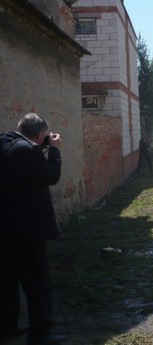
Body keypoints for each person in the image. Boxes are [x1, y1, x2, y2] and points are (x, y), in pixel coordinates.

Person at [0, 113, 66, 345]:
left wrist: (42, 144)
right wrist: (55, 149)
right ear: (39, 134)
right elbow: (51, 175)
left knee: (6, 282)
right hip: (27, 232)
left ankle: (6, 327)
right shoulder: (28, 151)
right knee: (37, 282)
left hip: (4, 230)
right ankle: (40, 333)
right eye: (43, 136)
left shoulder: (5, 142)